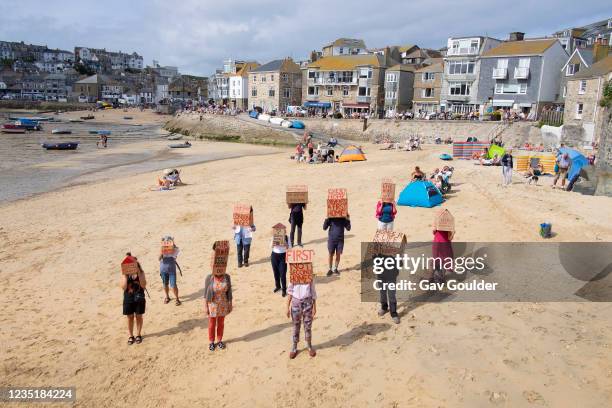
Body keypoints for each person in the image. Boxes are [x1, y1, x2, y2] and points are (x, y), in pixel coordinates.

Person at [204, 263, 233, 351]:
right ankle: (211, 342)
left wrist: (230, 303)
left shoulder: (227, 277)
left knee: (221, 323)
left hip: (223, 303)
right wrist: (205, 306)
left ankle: (220, 340)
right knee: (212, 324)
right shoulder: (209, 277)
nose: (219, 268)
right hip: (212, 304)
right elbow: (205, 293)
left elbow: (229, 291)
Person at [286, 278, 317, 358]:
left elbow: (313, 292)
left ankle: (309, 346)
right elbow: (290, 291)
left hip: (308, 303)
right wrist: (287, 307)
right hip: (295, 303)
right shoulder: (293, 275)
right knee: (296, 325)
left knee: (308, 325)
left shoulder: (309, 276)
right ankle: (294, 347)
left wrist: (314, 307)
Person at [121, 253, 147, 345]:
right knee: (130, 317)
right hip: (128, 297)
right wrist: (125, 276)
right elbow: (123, 287)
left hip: (139, 297)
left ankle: (138, 334)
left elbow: (143, 285)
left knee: (139, 316)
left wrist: (139, 273)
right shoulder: (125, 274)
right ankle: (131, 335)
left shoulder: (141, 273)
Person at [159, 236, 181, 305]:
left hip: (172, 270)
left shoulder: (175, 249)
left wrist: (172, 247)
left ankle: (177, 298)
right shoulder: (162, 250)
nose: (167, 244)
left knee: (173, 285)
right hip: (163, 269)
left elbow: (175, 254)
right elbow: (159, 258)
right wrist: (162, 250)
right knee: (165, 284)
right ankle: (167, 297)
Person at [271, 226, 290, 296]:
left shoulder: (287, 237)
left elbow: (290, 248)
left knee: (282, 274)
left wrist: (286, 244)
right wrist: (273, 243)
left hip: (283, 256)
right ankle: (278, 286)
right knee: (276, 273)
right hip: (274, 255)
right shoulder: (274, 237)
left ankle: (284, 289)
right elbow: (270, 246)